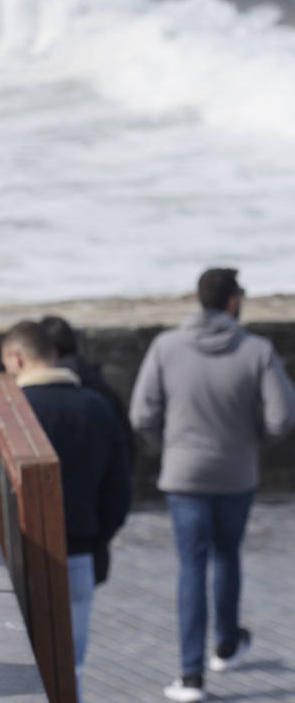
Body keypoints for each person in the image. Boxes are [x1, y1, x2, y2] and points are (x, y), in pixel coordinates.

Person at [130, 268, 295, 702]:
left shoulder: (166, 346)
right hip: (236, 471)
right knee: (226, 556)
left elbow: (141, 414)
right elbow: (282, 417)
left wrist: (170, 444)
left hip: (183, 473)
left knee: (191, 566)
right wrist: (253, 442)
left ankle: (190, 677)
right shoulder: (257, 350)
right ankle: (226, 646)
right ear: (233, 302)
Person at [1, 320, 132, 699]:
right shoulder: (96, 406)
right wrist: (95, 536)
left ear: (16, 358)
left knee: (22, 669)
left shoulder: (13, 412)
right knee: (68, 666)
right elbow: (119, 491)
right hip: (79, 552)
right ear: (55, 356)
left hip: (21, 554)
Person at [40, 313, 136, 586]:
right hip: (90, 532)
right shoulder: (102, 392)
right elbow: (125, 466)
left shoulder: (32, 400)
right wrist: (102, 533)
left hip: (47, 537)